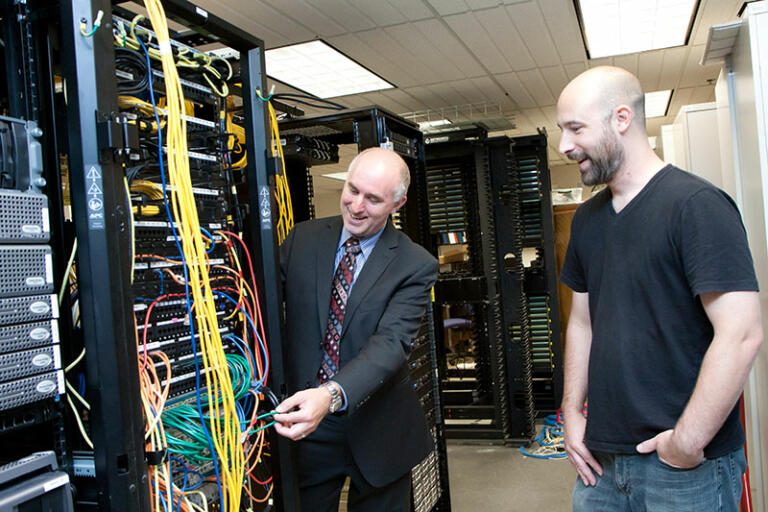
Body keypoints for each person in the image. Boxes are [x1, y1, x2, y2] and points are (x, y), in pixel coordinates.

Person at [557, 66, 763, 511]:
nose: (564, 146)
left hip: (686, 467)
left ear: (622, 119)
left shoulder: (697, 207)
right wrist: (571, 413)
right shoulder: (587, 221)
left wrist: (686, 443)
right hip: (602, 464)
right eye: (561, 130)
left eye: (575, 128)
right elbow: (581, 322)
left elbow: (742, 333)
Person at [273, 147, 438, 511]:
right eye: (353, 190)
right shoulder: (302, 240)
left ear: (398, 204)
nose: (357, 205)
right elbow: (259, 308)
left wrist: (330, 395)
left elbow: (391, 343)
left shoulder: (415, 264)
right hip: (306, 427)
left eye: (373, 199)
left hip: (379, 428)